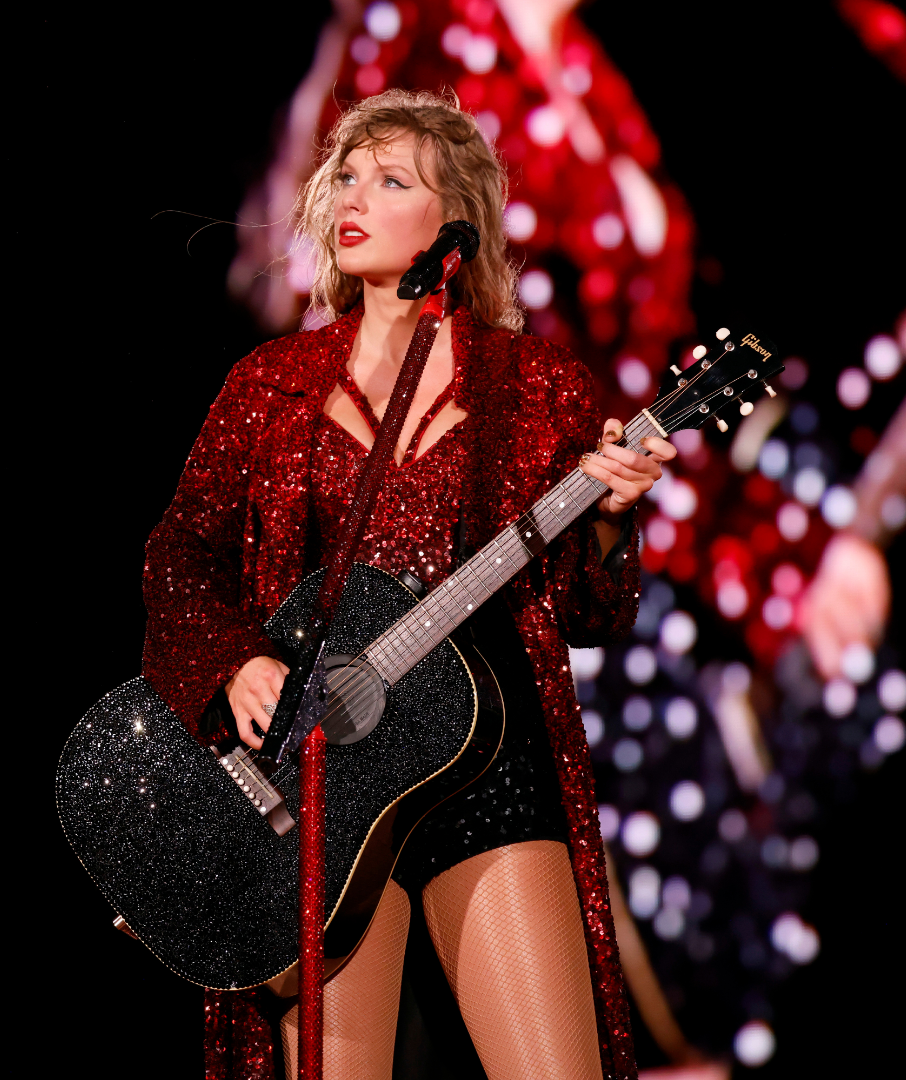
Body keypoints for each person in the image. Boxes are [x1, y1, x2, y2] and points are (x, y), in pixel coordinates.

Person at [143, 90, 672, 1079]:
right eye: (344, 173)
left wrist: (607, 518)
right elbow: (181, 563)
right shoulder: (270, 385)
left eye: (391, 180)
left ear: (454, 223)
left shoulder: (535, 382)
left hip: (489, 761)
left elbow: (593, 609)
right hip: (330, 783)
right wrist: (235, 663)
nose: (352, 194)